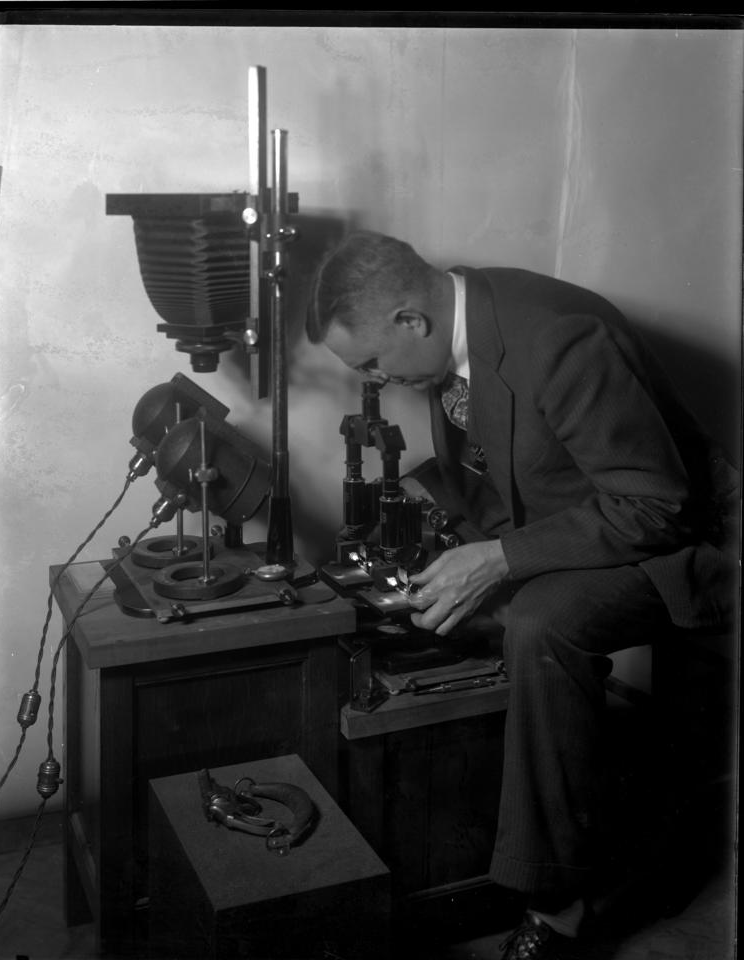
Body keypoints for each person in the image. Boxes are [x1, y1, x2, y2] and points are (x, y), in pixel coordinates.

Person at [305, 230, 738, 959]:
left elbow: (656, 504)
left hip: (679, 542)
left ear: (412, 320)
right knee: (433, 597)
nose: (373, 381)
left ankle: (556, 907)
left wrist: (498, 559)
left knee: (540, 622)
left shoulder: (559, 337)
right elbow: (507, 466)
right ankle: (456, 848)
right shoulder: (457, 333)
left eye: (372, 363)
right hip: (583, 526)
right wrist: (421, 510)